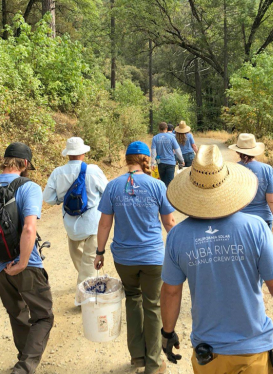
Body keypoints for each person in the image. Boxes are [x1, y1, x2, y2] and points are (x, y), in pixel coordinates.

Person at [160, 145, 273, 374]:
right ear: (228, 184)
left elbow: (171, 291)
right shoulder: (256, 228)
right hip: (252, 352)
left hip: (208, 354)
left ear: (192, 188)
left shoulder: (177, 237)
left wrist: (167, 333)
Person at [0, 142, 53, 374]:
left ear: (5, 161)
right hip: (27, 264)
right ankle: (24, 367)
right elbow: (28, 229)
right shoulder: (30, 187)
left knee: (17, 314)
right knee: (43, 316)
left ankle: (23, 361)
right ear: (24, 164)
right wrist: (23, 262)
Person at [94, 141, 176, 374]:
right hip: (152, 257)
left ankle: (137, 357)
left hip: (124, 258)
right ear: (145, 159)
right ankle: (153, 363)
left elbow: (104, 222)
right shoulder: (157, 185)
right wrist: (180, 247)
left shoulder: (113, 186)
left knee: (132, 299)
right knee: (153, 306)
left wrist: (99, 252)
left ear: (127, 159)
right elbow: (169, 222)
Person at [43, 137, 108, 286]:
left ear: (68, 154)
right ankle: (86, 293)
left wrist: (61, 199)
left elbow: (47, 198)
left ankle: (88, 283)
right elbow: (107, 192)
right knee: (90, 261)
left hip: (71, 225)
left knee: (80, 261)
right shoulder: (92, 170)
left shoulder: (58, 173)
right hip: (93, 223)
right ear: (83, 153)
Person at [229, 133, 273, 240]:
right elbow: (272, 200)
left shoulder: (232, 170)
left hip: (239, 220)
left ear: (237, 151)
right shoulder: (267, 169)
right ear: (255, 151)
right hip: (263, 219)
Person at [151, 122, 185, 187]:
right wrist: (181, 160)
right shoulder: (172, 138)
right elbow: (178, 150)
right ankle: (169, 196)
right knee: (170, 182)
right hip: (170, 163)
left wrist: (152, 163)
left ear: (159, 129)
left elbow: (153, 152)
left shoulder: (155, 138)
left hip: (160, 163)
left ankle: (163, 195)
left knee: (162, 182)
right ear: (166, 128)